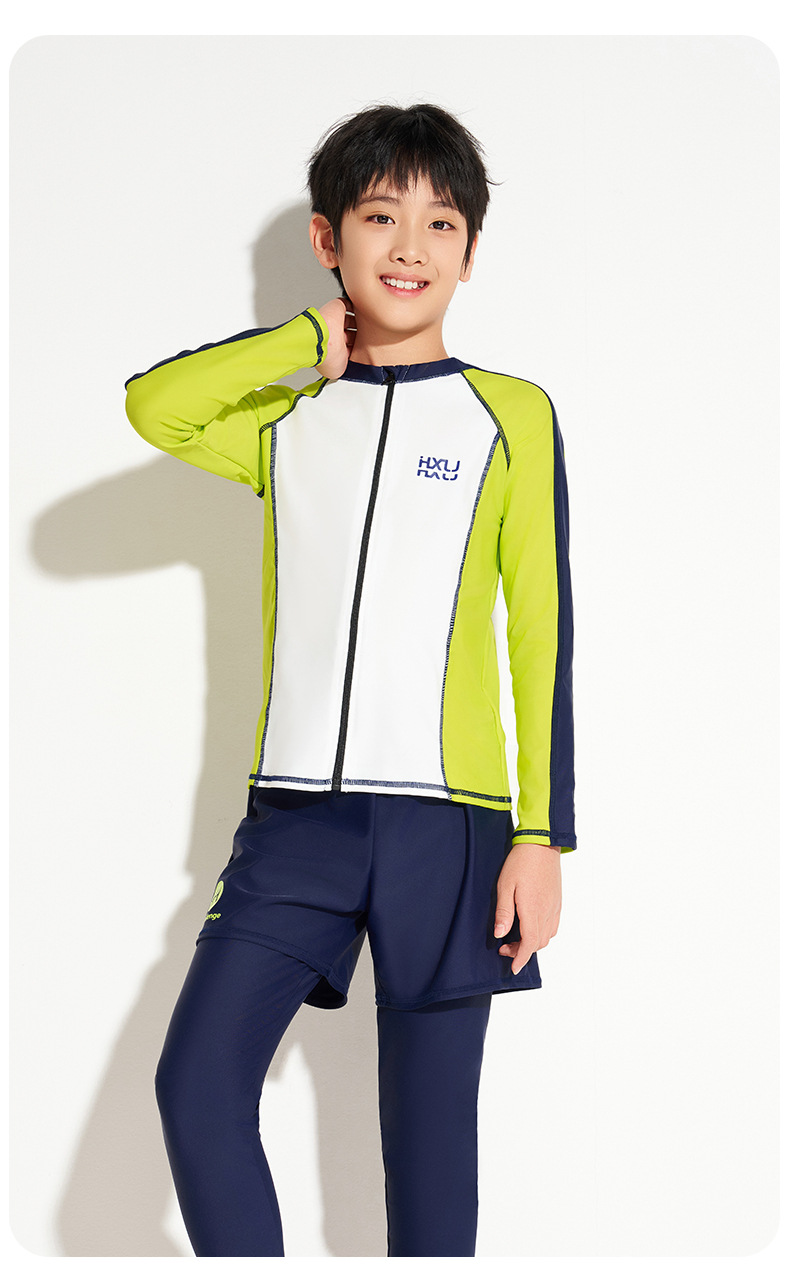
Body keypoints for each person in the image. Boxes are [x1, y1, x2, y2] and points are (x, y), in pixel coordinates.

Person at [125, 102, 576, 1258]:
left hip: (452, 831)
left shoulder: (511, 417)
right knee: (196, 1087)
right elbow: (154, 406)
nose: (410, 246)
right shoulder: (286, 422)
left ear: (470, 252)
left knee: (429, 1162)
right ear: (329, 239)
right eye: (380, 217)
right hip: (294, 826)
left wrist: (542, 835)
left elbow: (541, 632)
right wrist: (298, 341)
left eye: (440, 222)